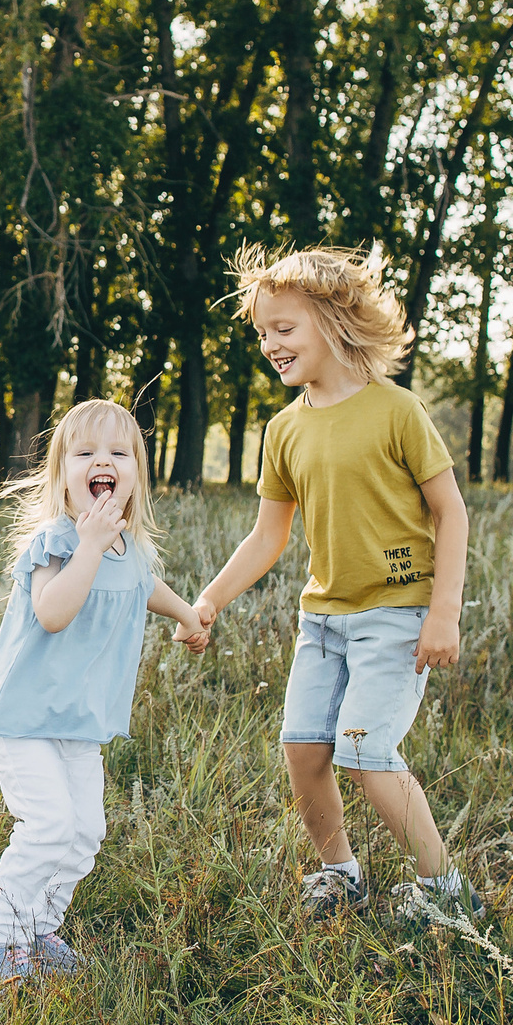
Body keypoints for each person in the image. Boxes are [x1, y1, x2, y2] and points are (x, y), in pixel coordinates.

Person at [192, 246, 478, 917]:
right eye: (263, 332)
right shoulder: (284, 430)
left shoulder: (397, 410)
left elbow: (451, 511)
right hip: (322, 622)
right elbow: (268, 535)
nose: (270, 344)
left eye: (284, 328)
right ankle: (340, 873)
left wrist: (444, 612)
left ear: (332, 321)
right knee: (302, 747)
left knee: (363, 749)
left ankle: (446, 891)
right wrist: (210, 598)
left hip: (397, 614)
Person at [0, 398, 206, 989]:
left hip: (77, 721)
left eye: (119, 452)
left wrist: (188, 616)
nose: (103, 461)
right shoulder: (57, 540)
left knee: (84, 832)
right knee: (48, 825)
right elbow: (52, 613)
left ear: (136, 474)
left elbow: (145, 584)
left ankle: (40, 928)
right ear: (62, 475)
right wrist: (90, 546)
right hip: (22, 718)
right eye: (86, 453)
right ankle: (1, 943)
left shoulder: (130, 547)